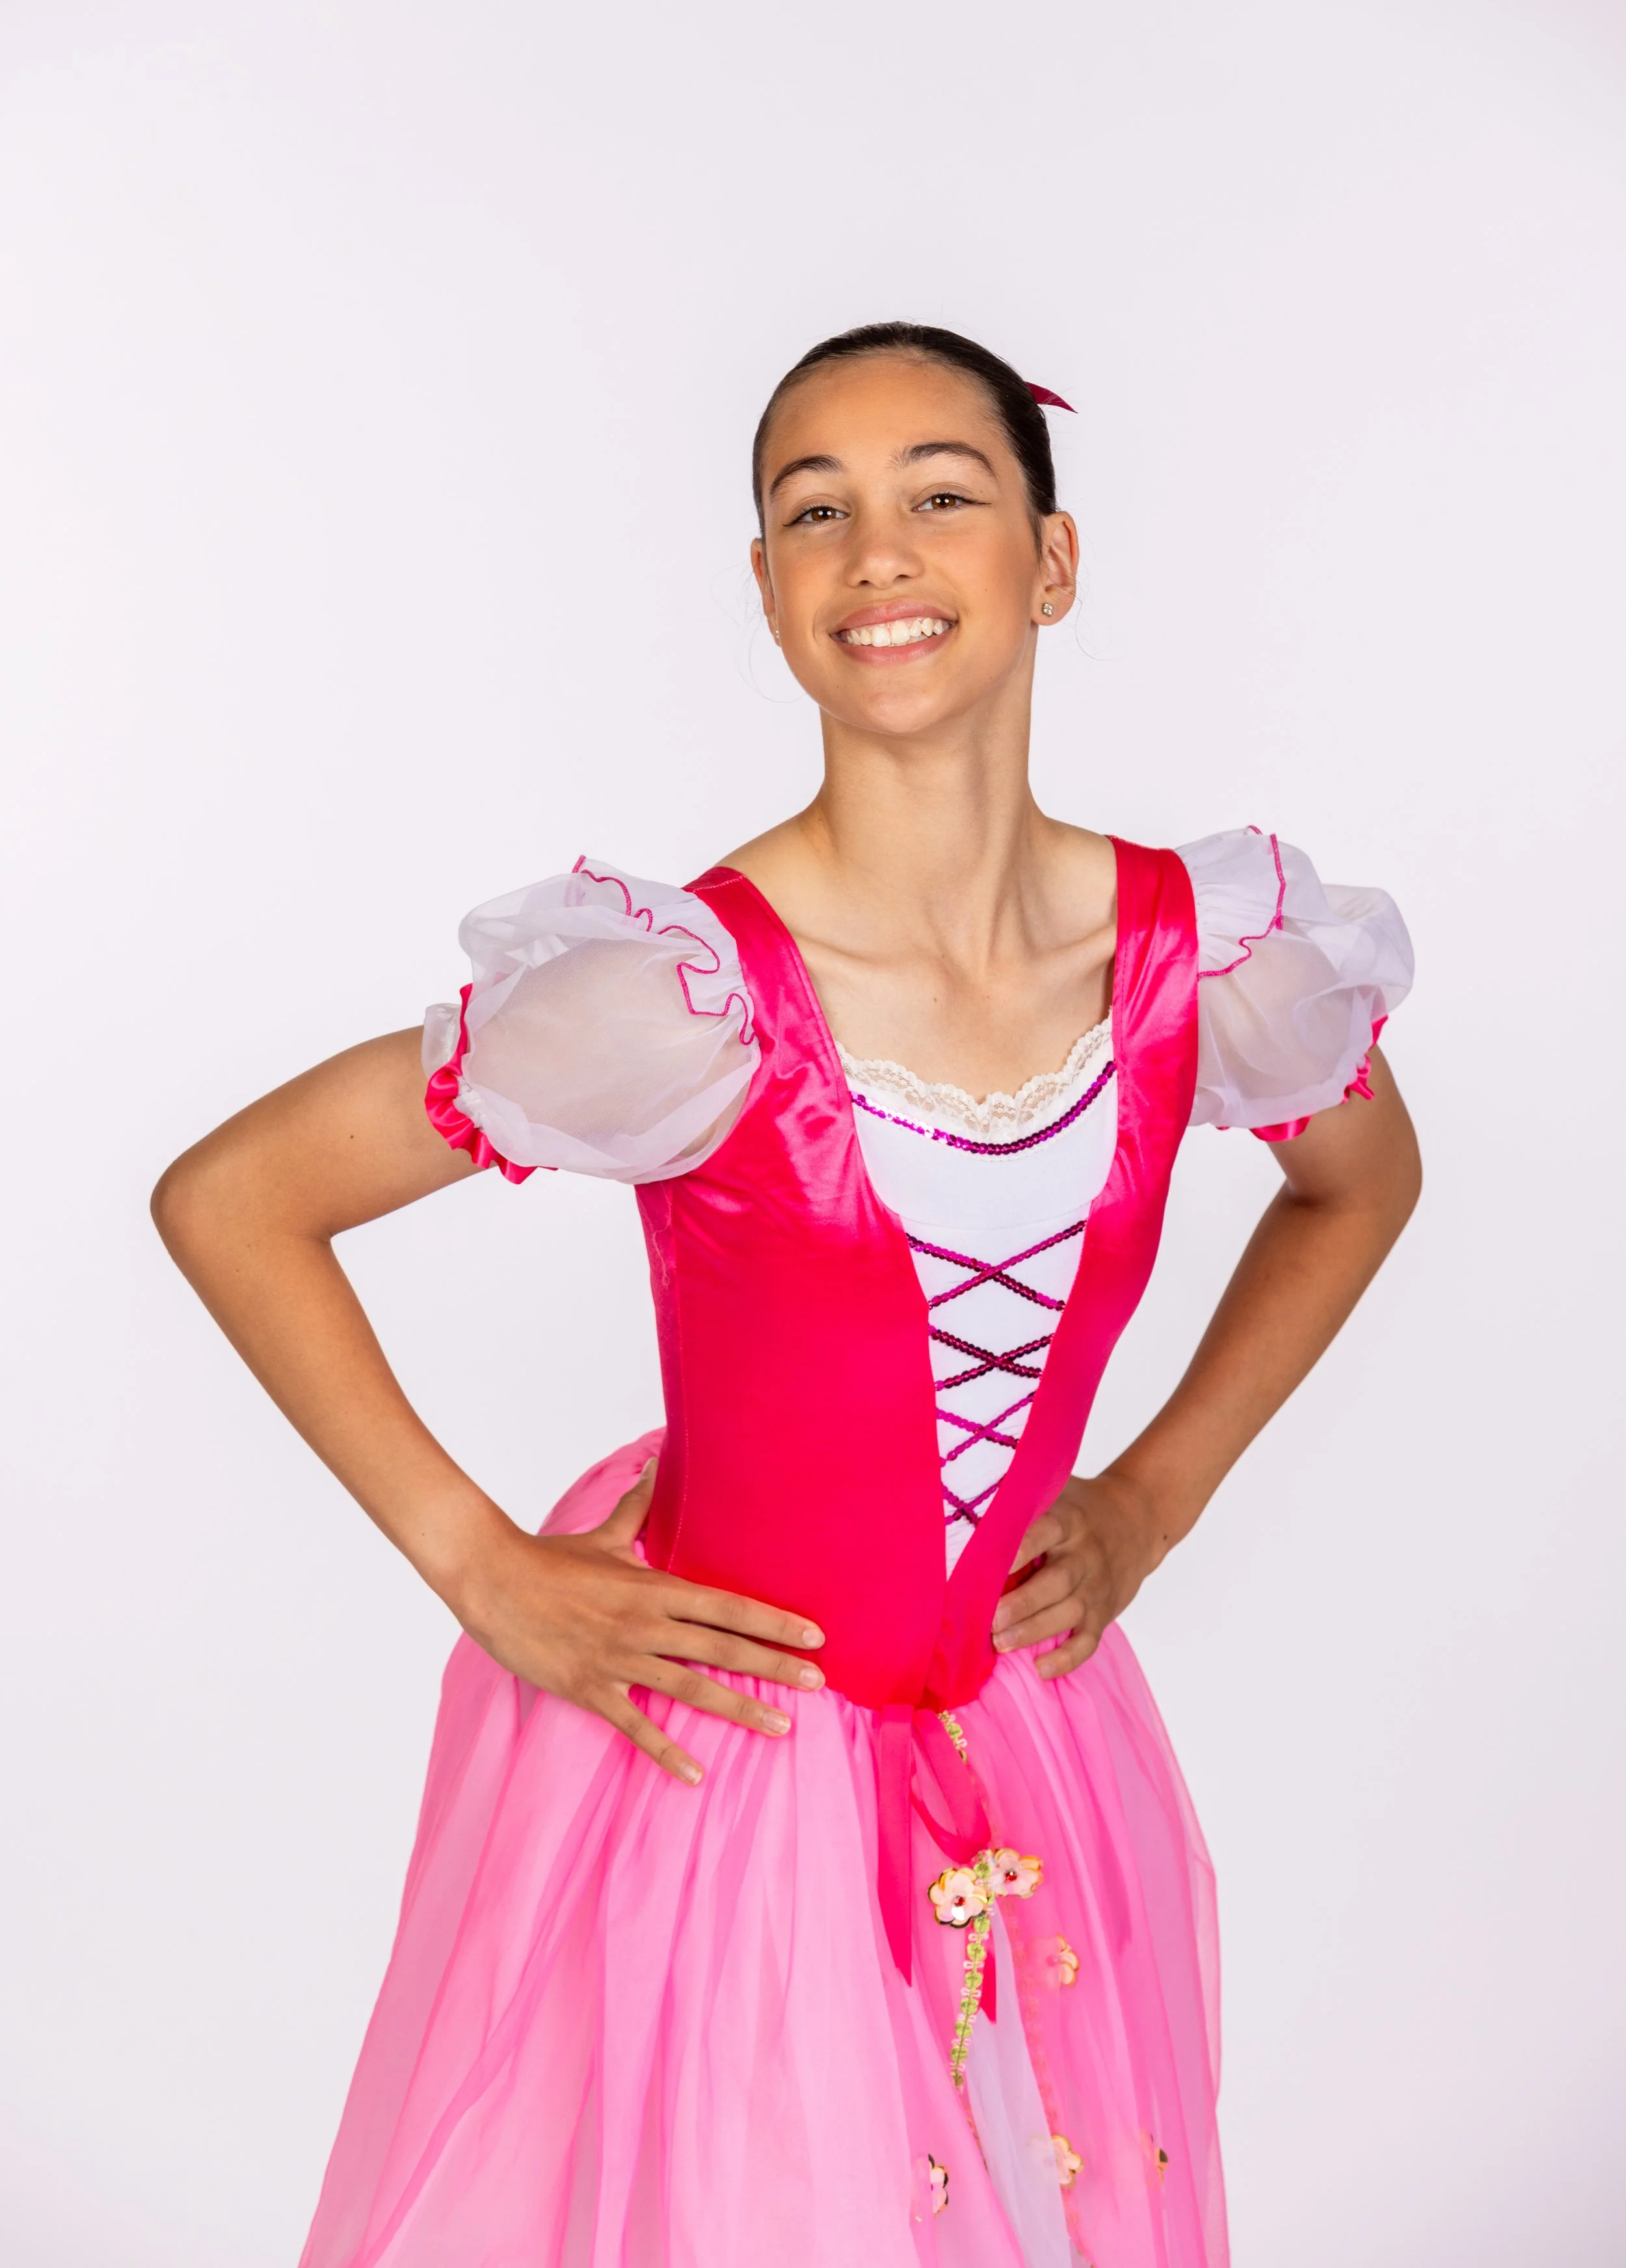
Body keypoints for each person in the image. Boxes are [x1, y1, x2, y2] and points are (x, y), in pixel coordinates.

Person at [153, 322, 1420, 2268]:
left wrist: (1150, 1499)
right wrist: (480, 1563)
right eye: (813, 511)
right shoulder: (681, 995)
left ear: (1052, 560)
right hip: (721, 1771)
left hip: (1022, 1739)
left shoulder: (1200, 959)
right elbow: (236, 1200)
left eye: (941, 493)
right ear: (766, 588)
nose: (876, 550)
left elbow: (1359, 1183)